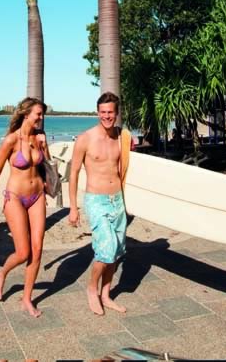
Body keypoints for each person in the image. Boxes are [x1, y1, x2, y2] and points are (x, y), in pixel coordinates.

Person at [0, 97, 51, 318]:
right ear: (26, 115)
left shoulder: (40, 138)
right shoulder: (11, 141)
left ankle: (27, 298)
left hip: (38, 197)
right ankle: (2, 273)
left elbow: (47, 166)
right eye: (38, 114)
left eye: (42, 114)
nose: (41, 118)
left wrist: (44, 147)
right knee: (23, 252)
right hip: (14, 197)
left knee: (38, 248)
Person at [68, 92, 129, 316]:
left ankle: (106, 294)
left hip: (118, 200)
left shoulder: (122, 137)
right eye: (102, 112)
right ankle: (92, 289)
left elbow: (130, 169)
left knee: (116, 252)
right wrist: (73, 207)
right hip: (96, 200)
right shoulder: (85, 138)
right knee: (106, 249)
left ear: (116, 113)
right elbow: (73, 173)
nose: (106, 116)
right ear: (97, 113)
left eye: (110, 112)